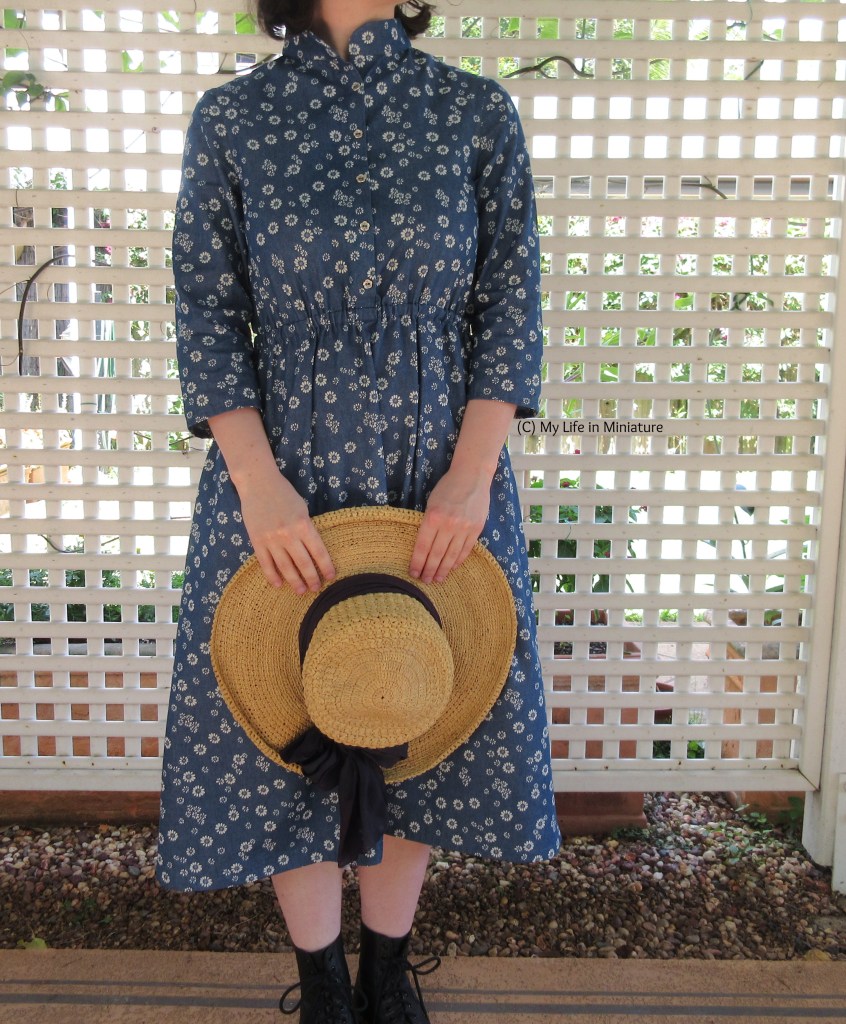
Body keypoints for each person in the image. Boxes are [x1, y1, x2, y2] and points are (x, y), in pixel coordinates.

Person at [155, 0, 563, 1021]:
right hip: (280, 488)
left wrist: (470, 479)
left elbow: (510, 304)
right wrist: (257, 480)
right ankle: (319, 981)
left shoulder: (474, 113)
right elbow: (206, 310)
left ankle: (389, 967)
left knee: (420, 698)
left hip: (439, 480)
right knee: (283, 713)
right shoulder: (233, 119)